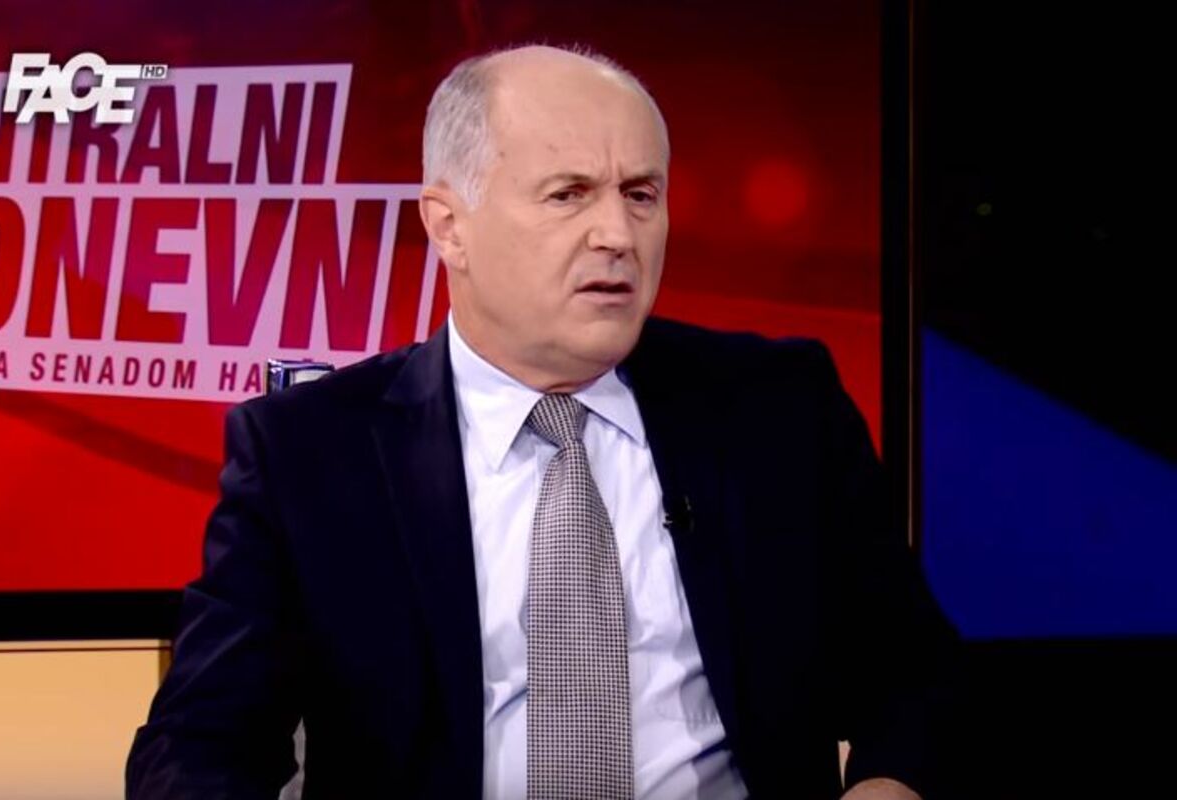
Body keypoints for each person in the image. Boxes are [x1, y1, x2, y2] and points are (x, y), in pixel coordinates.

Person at [126, 45, 957, 800]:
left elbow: (915, 672)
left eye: (641, 195)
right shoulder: (308, 451)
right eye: (569, 195)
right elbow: (199, 743)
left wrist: (888, 787)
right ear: (448, 225)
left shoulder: (778, 407)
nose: (618, 235)